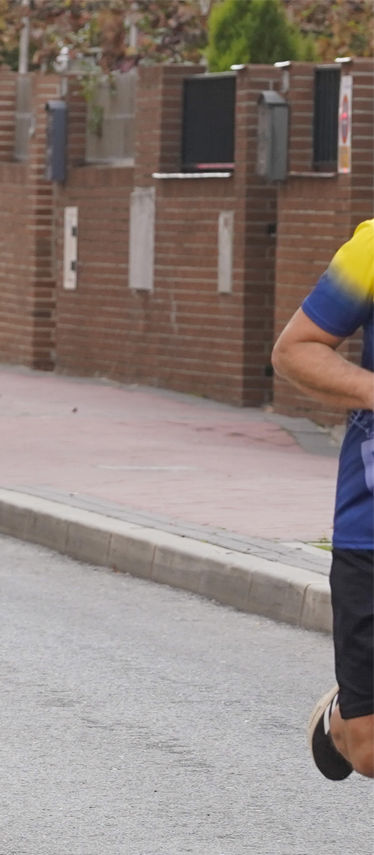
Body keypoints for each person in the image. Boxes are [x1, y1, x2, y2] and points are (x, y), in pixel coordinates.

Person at [273, 219, 373, 782]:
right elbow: (295, 350)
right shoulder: (371, 249)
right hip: (370, 524)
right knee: (369, 752)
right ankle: (344, 717)